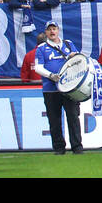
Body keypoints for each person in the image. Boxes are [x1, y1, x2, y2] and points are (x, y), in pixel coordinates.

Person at [32, 22, 84, 155]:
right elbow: (38, 67)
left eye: (54, 29)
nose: (52, 32)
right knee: (54, 120)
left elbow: (79, 61)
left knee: (73, 117)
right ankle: (59, 148)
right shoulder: (42, 48)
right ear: (46, 32)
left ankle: (77, 147)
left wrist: (75, 56)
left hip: (68, 88)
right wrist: (50, 75)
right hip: (51, 89)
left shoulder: (67, 44)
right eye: (49, 30)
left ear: (58, 30)